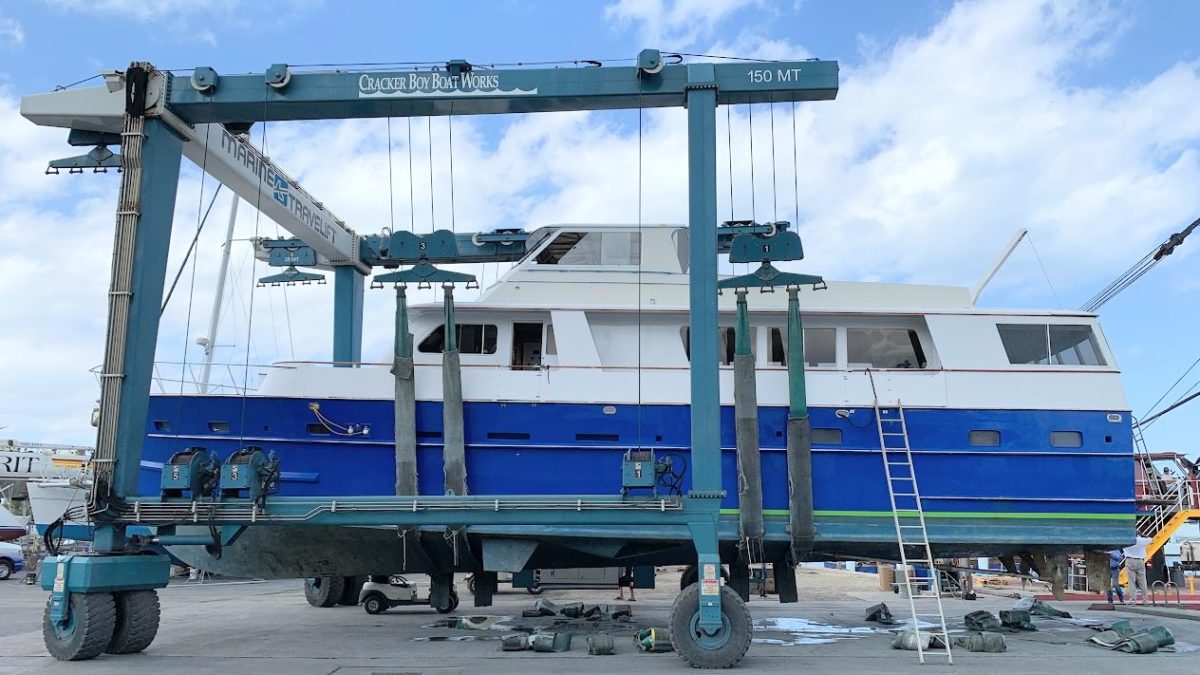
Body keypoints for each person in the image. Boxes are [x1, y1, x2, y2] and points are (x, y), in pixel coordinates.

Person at [1123, 535, 1152, 604]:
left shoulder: (1127, 540)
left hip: (1130, 560)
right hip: (1140, 561)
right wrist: (1143, 536)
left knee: (1131, 581)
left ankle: (1133, 600)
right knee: (1143, 581)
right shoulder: (1141, 540)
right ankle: (1145, 599)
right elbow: (1150, 539)